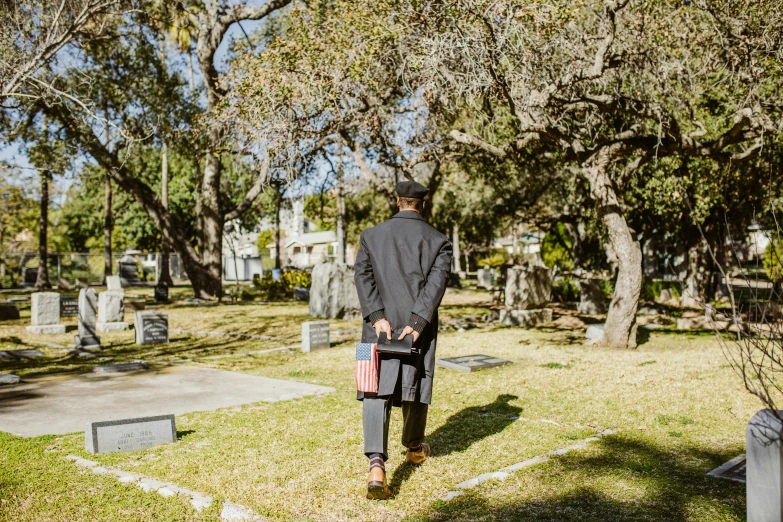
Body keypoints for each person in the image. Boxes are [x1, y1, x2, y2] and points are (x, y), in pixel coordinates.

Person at [354, 179, 453, 500]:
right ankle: (413, 448)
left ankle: (376, 465)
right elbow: (435, 287)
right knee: (416, 383)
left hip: (374, 329)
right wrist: (417, 322)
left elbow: (361, 277)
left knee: (373, 389)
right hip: (417, 329)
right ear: (422, 204)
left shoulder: (369, 236)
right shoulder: (440, 241)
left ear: (397, 202)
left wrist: (376, 316)